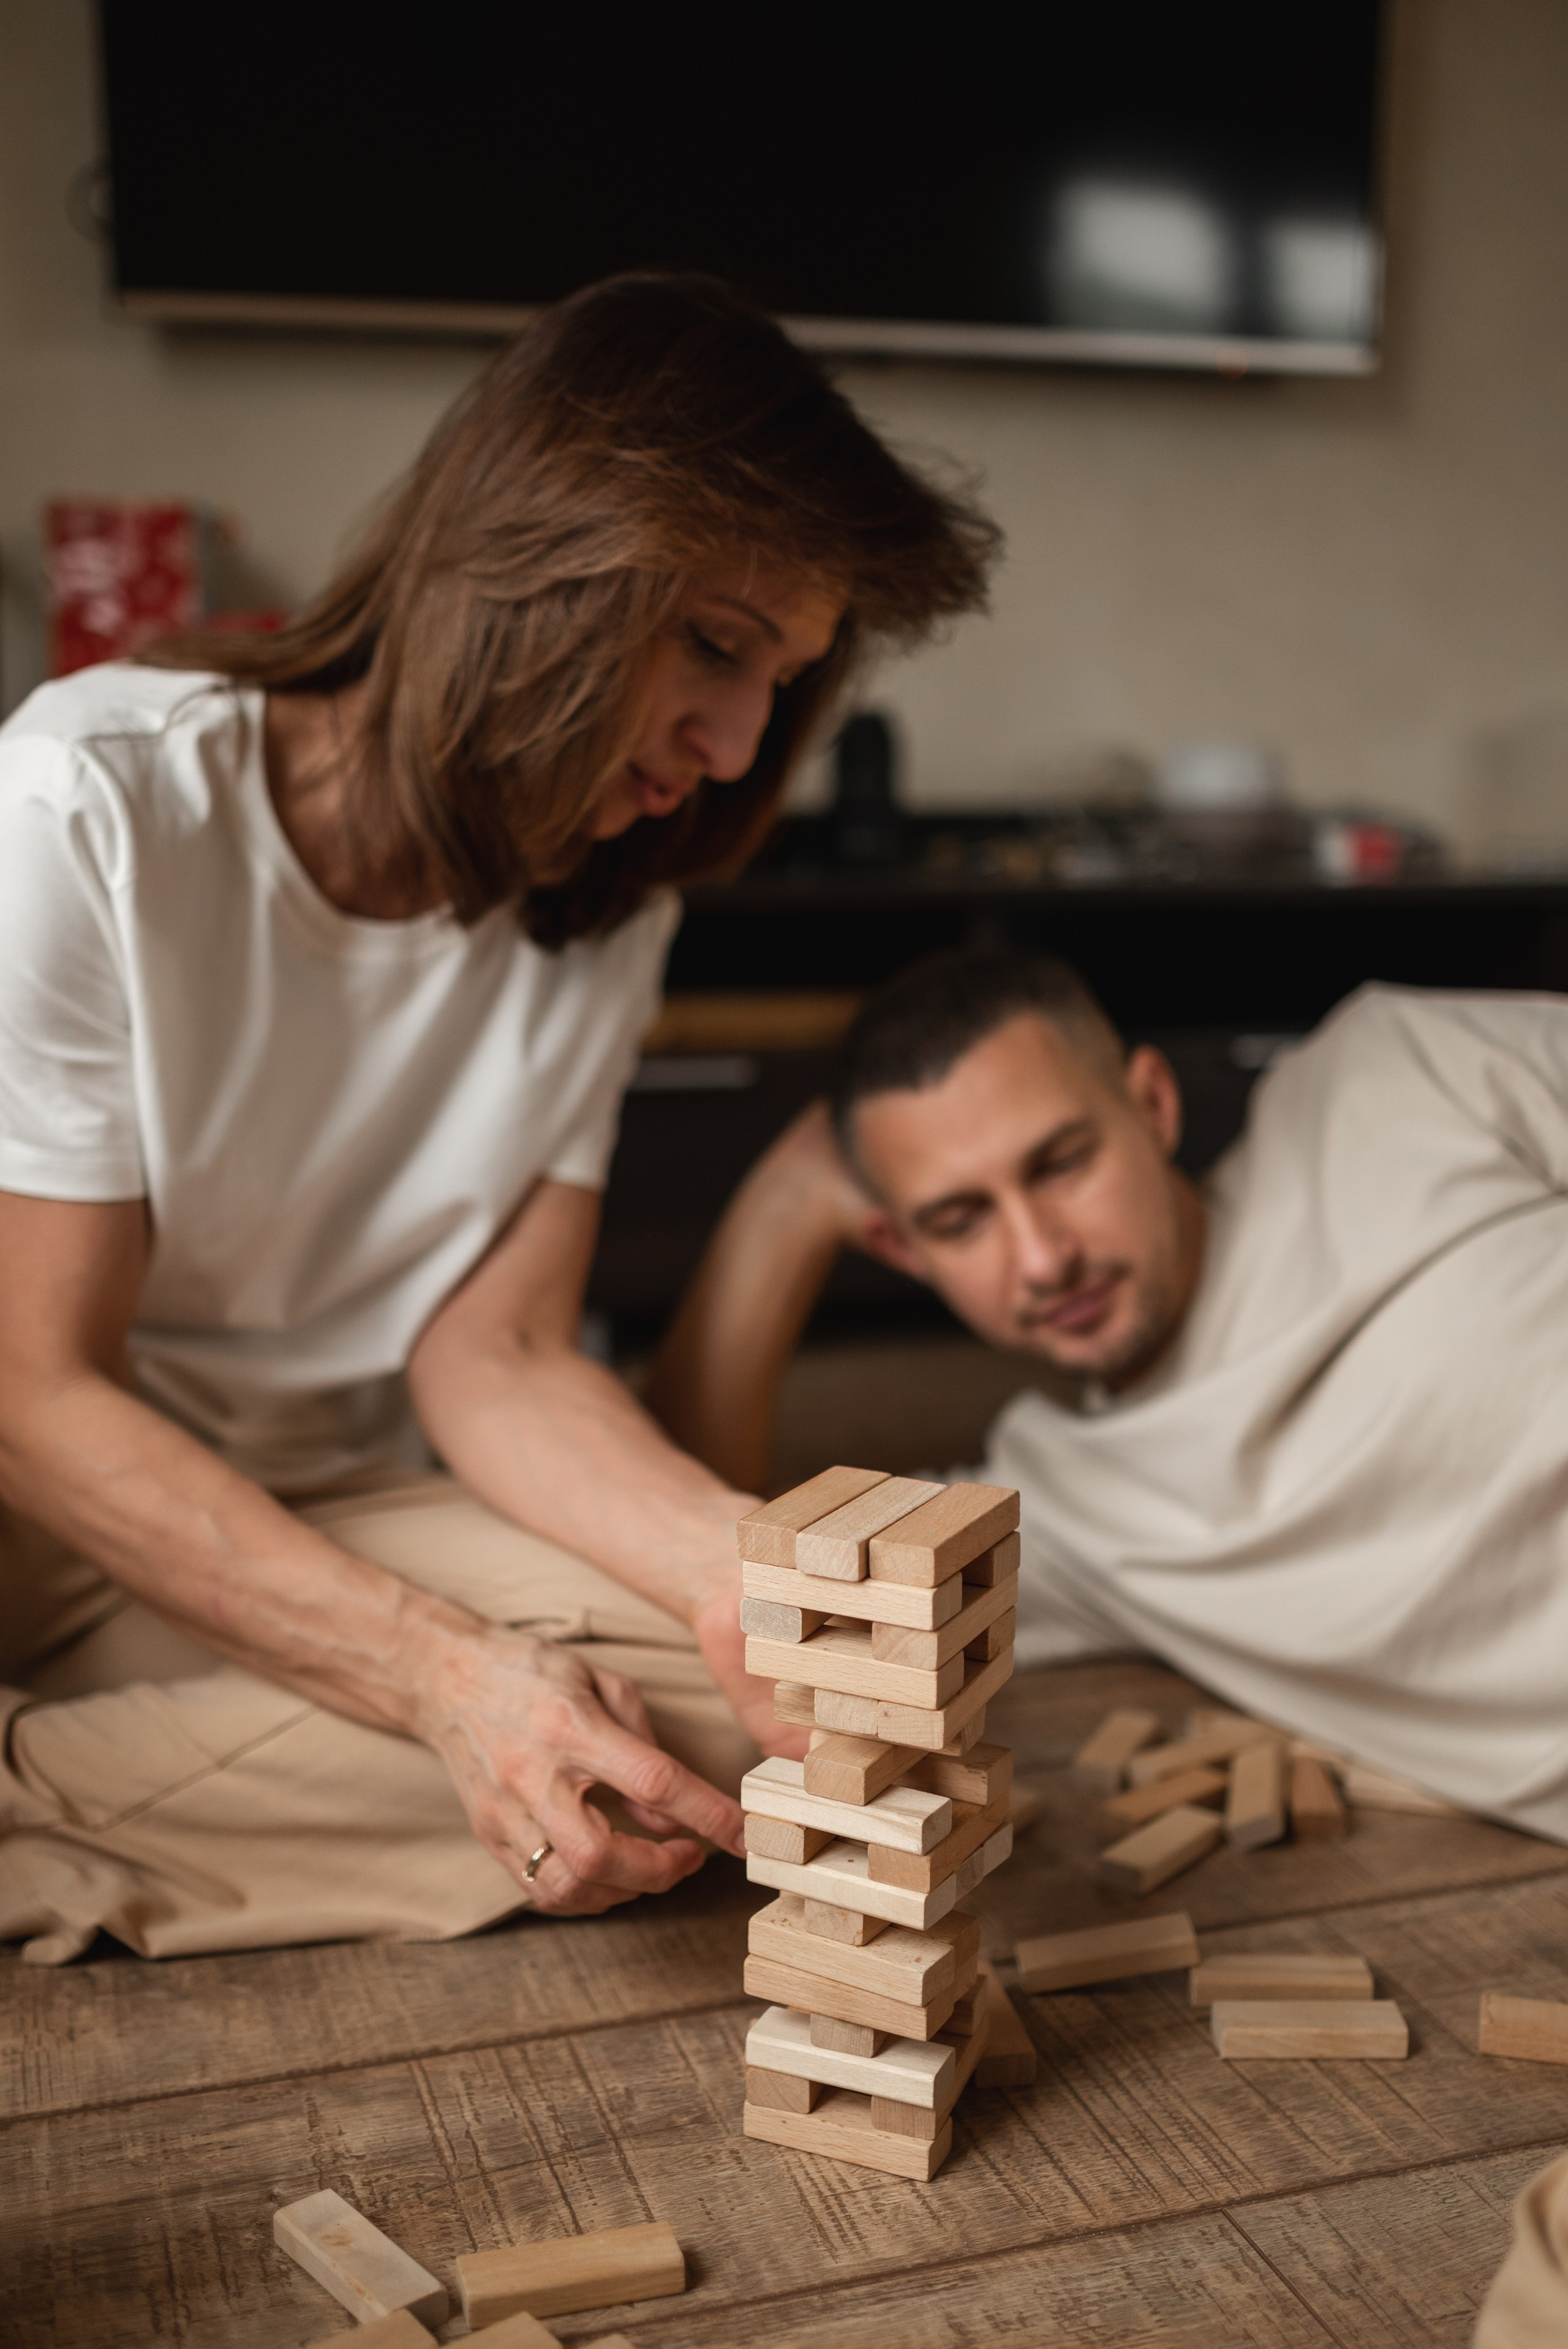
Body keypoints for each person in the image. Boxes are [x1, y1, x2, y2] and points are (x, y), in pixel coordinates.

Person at [0, 273, 997, 1961]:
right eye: (715, 646)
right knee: (595, 1755)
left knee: (754, 1719)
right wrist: (437, 1672)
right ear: (538, 556)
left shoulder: (613, 908)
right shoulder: (90, 801)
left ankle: (88, 1791)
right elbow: (35, 1398)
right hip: (51, 1514)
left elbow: (505, 1352)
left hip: (316, 1506)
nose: (738, 746)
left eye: (783, 681)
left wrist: (736, 1566)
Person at [647, 949, 1568, 1841]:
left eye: (1061, 1165)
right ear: (900, 1249)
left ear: (1154, 1104)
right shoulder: (1053, 1511)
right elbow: (722, 1575)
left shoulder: (1394, 1071)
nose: (1044, 1258)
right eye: (960, 1221)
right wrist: (784, 1204)